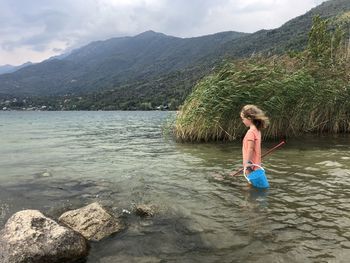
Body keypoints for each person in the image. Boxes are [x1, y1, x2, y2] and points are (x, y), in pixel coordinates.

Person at [240, 105, 269, 174]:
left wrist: (247, 163)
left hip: (250, 165)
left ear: (249, 118)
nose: (243, 121)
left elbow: (250, 148)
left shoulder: (251, 132)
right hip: (256, 163)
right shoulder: (257, 131)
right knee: (256, 183)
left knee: (250, 182)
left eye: (243, 119)